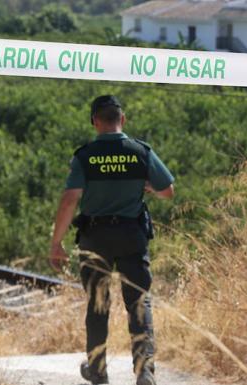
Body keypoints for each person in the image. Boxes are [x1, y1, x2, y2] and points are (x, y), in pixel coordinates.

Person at [48, 95, 175, 385]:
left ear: (95, 121)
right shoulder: (141, 152)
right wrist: (149, 188)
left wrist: (56, 243)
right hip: (132, 236)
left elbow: (70, 200)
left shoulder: (85, 156)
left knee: (98, 305)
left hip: (96, 238)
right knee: (139, 303)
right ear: (123, 119)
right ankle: (144, 371)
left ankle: (98, 370)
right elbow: (167, 189)